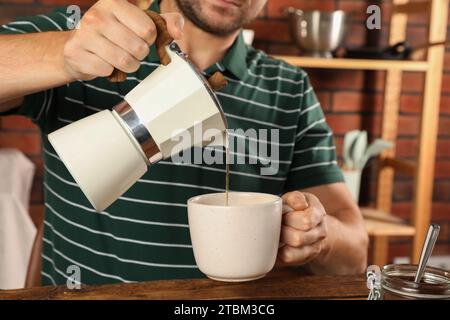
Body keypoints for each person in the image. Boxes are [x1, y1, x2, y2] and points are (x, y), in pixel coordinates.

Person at [0, 0, 368, 285]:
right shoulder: (88, 36)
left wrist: (320, 235)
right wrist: (63, 54)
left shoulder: (289, 88)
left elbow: (355, 256)